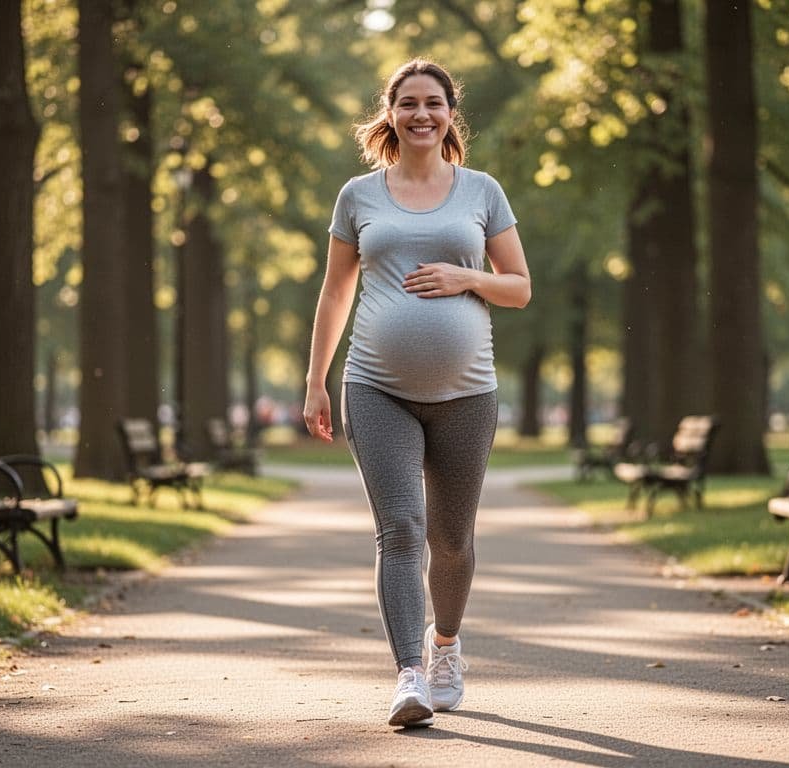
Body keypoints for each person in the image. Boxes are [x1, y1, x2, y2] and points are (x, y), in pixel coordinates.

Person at [303, 58, 531, 728]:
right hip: (376, 387)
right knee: (399, 530)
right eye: (408, 103)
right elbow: (336, 289)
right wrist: (316, 380)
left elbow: (519, 287)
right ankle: (408, 675)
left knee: (451, 539)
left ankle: (445, 647)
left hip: (467, 393)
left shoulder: (482, 191)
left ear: (450, 113)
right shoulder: (359, 196)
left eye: (434, 103)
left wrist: (468, 280)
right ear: (390, 113)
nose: (421, 114)